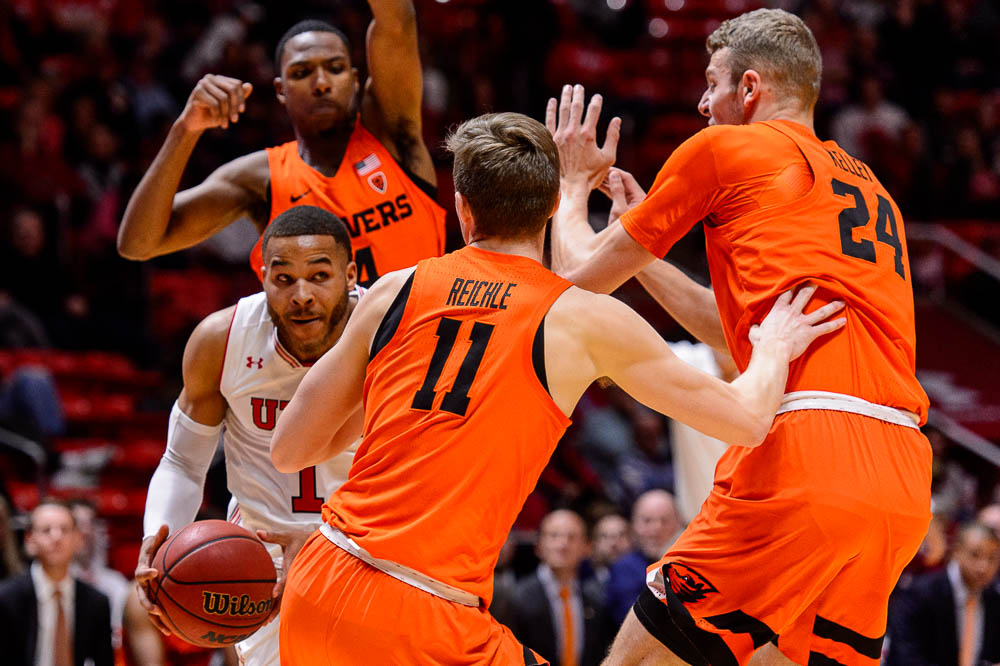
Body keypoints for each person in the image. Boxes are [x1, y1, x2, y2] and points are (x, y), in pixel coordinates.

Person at [269, 111, 845, 664]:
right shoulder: (579, 319)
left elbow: (291, 448)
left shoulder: (395, 289)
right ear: (545, 211)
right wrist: (771, 347)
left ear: (462, 207)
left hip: (320, 581)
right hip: (425, 614)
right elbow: (745, 419)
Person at [548, 8, 932, 665]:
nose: (701, 103)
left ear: (749, 89)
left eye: (711, 83)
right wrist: (647, 255)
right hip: (900, 475)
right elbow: (735, 337)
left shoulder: (726, 149)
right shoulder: (872, 191)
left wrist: (570, 185)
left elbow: (577, 276)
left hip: (805, 450)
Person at [134, 205, 362, 665]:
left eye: (319, 276)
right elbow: (183, 462)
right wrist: (158, 538)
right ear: (262, 277)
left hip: (364, 556)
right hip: (260, 568)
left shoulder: (393, 335)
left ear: (350, 275)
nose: (301, 295)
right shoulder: (222, 339)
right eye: (283, 279)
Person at [117, 1, 446, 287]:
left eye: (335, 69)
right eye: (302, 73)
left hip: (425, 352)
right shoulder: (260, 178)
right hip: (327, 359)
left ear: (355, 79)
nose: (321, 83)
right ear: (280, 90)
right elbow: (138, 244)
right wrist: (184, 130)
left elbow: (398, 21)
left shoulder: (390, 133)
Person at [0, 498, 114, 666]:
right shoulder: (6, 598)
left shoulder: (97, 602)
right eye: (46, 530)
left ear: (78, 539)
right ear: (29, 539)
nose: (56, 537)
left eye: (64, 529)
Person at [886, 522, 1000, 666]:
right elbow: (906, 658)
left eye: (992, 558)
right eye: (975, 555)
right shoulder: (920, 593)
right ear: (957, 551)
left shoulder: (994, 601)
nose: (983, 566)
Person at [511, 509, 612, 666]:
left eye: (571, 537)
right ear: (538, 546)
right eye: (554, 536)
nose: (562, 544)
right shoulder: (517, 597)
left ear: (587, 547)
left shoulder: (596, 600)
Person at [605, 490, 683, 626]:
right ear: (634, 525)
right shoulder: (624, 568)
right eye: (647, 521)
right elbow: (636, 620)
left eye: (665, 521)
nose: (656, 529)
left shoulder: (691, 565)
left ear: (678, 524)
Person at [68, 498, 129, 658]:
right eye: (79, 523)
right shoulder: (55, 583)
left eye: (91, 523)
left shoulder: (117, 584)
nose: (86, 531)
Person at [590, 513, 632, 587]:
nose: (613, 543)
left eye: (621, 535)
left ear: (631, 540)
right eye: (605, 536)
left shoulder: (647, 579)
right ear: (594, 544)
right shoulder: (583, 582)